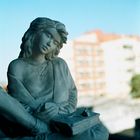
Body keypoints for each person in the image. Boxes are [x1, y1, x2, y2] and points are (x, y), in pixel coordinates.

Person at [0, 17, 109, 140]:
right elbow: (18, 103)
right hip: (36, 121)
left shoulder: (59, 64)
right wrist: (40, 113)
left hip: (64, 120)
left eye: (55, 43)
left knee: (101, 130)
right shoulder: (17, 66)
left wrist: (61, 110)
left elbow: (72, 92)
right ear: (36, 32)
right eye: (48, 35)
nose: (49, 43)